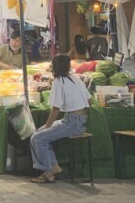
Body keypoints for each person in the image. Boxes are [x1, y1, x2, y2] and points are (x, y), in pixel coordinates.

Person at [29, 54, 90, 183]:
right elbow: (89, 99)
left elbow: (56, 108)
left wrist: (48, 125)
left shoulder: (59, 80)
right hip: (77, 120)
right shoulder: (75, 78)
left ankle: (48, 171)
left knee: (38, 138)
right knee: (39, 132)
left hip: (72, 123)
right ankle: (53, 167)